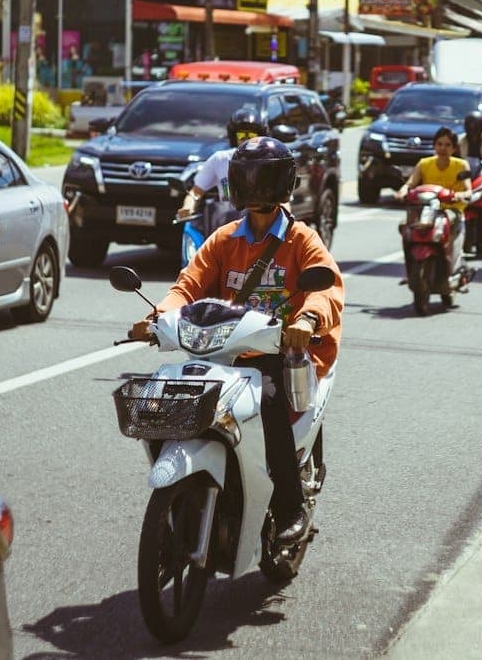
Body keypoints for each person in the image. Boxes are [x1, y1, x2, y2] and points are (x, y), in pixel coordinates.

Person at [128, 137, 344, 544]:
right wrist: (156, 318)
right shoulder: (225, 239)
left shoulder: (302, 240)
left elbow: (326, 287)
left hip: (280, 355)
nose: (253, 185)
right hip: (224, 352)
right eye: (246, 176)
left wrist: (308, 318)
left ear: (279, 181)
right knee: (167, 396)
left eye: (261, 176)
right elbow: (187, 286)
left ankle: (288, 506)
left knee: (270, 402)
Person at [175, 110, 262, 224]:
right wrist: (188, 207)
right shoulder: (220, 159)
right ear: (233, 137)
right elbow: (196, 192)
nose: (246, 140)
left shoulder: (269, 161)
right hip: (226, 224)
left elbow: (281, 201)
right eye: (241, 135)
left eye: (251, 135)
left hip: (259, 226)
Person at [402, 126, 470, 260]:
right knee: (405, 226)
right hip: (427, 210)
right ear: (434, 146)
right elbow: (410, 184)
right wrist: (402, 191)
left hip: (451, 210)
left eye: (447, 145)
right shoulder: (424, 164)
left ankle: (449, 259)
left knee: (447, 224)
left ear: (454, 148)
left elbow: (468, 190)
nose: (443, 148)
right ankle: (411, 264)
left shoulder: (461, 165)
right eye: (439, 144)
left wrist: (460, 195)